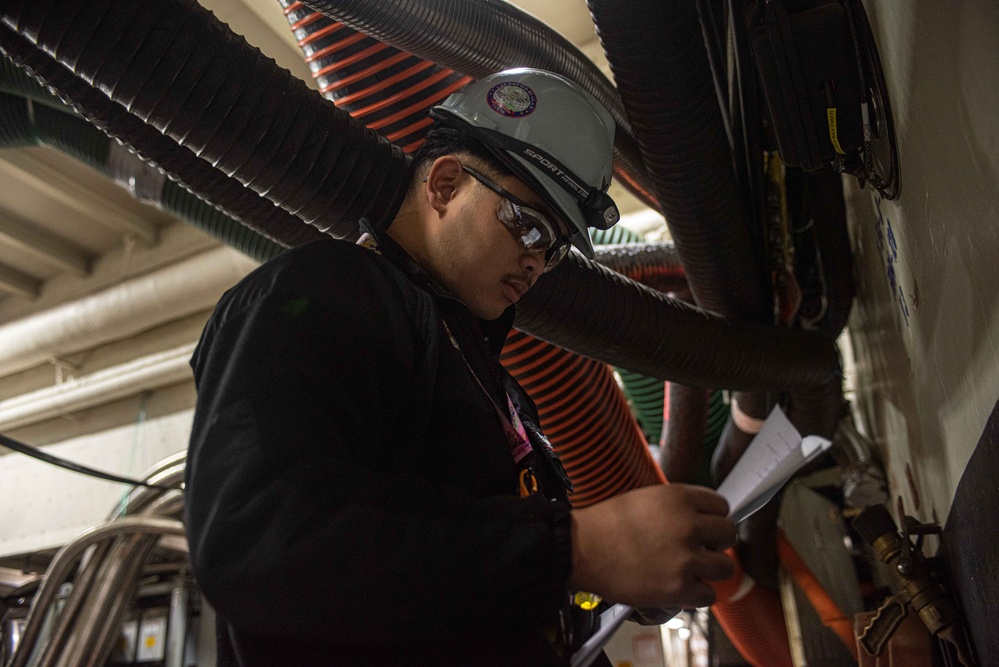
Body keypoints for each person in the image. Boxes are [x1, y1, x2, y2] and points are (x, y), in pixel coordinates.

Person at [184, 68, 737, 666]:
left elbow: (474, 585)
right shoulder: (324, 292)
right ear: (445, 185)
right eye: (528, 224)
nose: (536, 261)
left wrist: (600, 590)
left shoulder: (493, 383)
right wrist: (575, 550)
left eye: (553, 249)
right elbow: (259, 541)